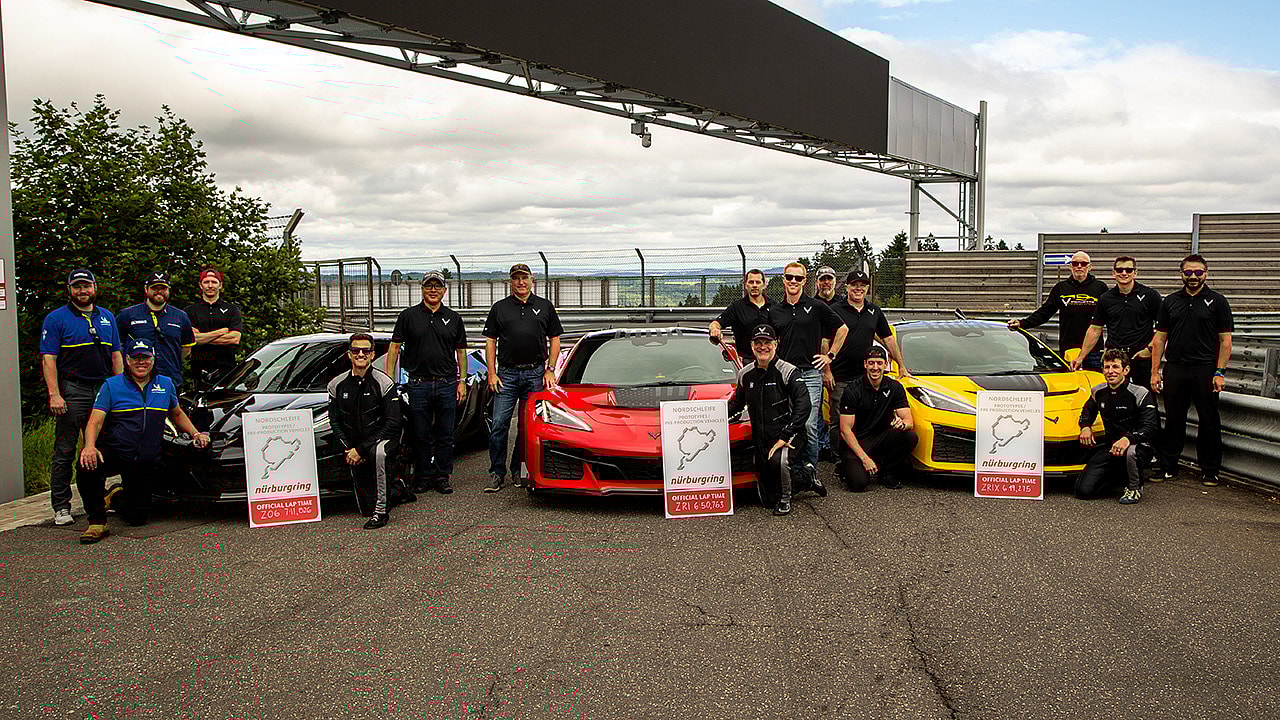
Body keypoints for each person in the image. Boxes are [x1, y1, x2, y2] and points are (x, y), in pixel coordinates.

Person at [76, 338, 209, 543]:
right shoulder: (112, 385)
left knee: (137, 519)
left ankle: (116, 495)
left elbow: (177, 414)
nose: (141, 363)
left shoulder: (165, 384)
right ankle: (97, 522)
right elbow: (95, 421)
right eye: (136, 358)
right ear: (127, 360)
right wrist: (90, 446)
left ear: (153, 359)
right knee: (87, 465)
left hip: (146, 458)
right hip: (117, 451)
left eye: (145, 358)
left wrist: (196, 434)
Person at [39, 269, 124, 526]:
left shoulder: (107, 317)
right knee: (65, 450)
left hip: (104, 388)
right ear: (69, 289)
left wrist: (120, 388)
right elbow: (48, 358)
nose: (82, 291)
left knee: (104, 447)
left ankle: (98, 499)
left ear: (95, 288)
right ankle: (62, 506)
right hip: (73, 390)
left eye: (86, 286)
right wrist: (54, 394)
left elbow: (117, 355)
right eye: (77, 287)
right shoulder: (56, 319)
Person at [1151, 254, 1233, 486]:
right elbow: (1159, 339)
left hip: (1205, 369)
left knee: (1208, 420)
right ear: (1181, 274)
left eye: (1198, 272)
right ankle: (1169, 467)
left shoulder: (1217, 301)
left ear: (1206, 274)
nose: (1193, 277)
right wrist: (1155, 372)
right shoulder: (1170, 301)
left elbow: (1225, 341)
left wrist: (1220, 372)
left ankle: (1209, 470)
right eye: (1188, 273)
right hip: (1175, 368)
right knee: (1174, 419)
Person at [726, 324, 822, 515]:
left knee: (779, 462)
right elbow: (736, 405)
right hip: (762, 439)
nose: (763, 347)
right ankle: (806, 477)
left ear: (775, 344)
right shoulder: (745, 374)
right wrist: (708, 415)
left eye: (767, 343)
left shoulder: (788, 371)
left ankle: (786, 499)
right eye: (758, 343)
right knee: (767, 500)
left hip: (790, 434)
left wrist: (786, 435)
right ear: (752, 346)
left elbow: (804, 406)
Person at [386, 270, 468, 495]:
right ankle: (422, 476)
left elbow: (461, 352)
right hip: (418, 384)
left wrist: (461, 381)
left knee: (445, 433)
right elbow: (394, 349)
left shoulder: (454, 318)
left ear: (444, 290)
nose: (433, 290)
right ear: (422, 289)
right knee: (420, 433)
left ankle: (442, 476)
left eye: (437, 286)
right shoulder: (408, 316)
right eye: (429, 286)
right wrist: (388, 380)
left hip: (446, 383)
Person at [483, 263, 563, 492]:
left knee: (526, 426)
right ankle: (496, 473)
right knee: (499, 424)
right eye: (516, 278)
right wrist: (492, 372)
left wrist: (550, 368)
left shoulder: (545, 307)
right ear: (511, 281)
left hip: (535, 374)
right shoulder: (500, 308)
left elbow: (555, 338)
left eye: (524, 278)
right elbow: (490, 340)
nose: (521, 282)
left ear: (532, 280)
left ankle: (519, 469)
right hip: (506, 375)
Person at [769, 261, 848, 468]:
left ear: (805, 281)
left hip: (810, 374)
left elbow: (842, 329)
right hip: (785, 374)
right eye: (789, 277)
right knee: (788, 423)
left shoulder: (816, 306)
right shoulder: (776, 310)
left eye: (798, 278)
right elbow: (768, 340)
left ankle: (810, 470)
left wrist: (830, 355)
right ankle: (791, 469)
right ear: (784, 280)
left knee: (810, 424)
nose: (793, 281)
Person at [826, 269, 910, 452]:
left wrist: (902, 365)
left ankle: (860, 453)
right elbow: (824, 341)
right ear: (847, 286)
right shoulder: (835, 310)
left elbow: (888, 339)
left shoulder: (874, 311)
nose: (858, 289)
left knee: (863, 418)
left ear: (867, 288)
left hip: (866, 377)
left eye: (862, 286)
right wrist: (827, 371)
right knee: (838, 418)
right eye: (854, 285)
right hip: (840, 376)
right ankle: (838, 457)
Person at [328, 333, 404, 529]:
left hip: (382, 441)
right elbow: (334, 421)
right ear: (349, 354)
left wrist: (361, 449)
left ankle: (381, 514)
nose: (360, 354)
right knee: (364, 508)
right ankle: (397, 489)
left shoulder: (384, 383)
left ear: (372, 355)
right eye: (355, 350)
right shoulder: (336, 384)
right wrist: (349, 449)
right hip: (355, 446)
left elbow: (393, 423)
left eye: (365, 351)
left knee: (378, 452)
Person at [1076, 349, 1159, 504]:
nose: (1111, 371)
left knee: (1131, 453)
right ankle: (1120, 477)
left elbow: (1150, 427)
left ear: (1125, 370)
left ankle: (1134, 487)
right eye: (1107, 367)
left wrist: (1129, 438)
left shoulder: (1140, 392)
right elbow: (1086, 411)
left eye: (1115, 367)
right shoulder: (1098, 391)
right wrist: (1086, 426)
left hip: (1138, 446)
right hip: (1111, 447)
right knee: (1083, 491)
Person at [1070, 256, 1162, 388]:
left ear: (1135, 273)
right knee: (1114, 399)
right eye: (1119, 270)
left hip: (1141, 358)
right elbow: (1095, 329)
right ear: (1113, 273)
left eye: (1128, 270)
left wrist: (1149, 350)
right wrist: (1080, 357)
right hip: (1115, 358)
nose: (1124, 273)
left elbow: (1163, 330)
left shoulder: (1150, 296)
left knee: (1144, 399)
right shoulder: (1106, 298)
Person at [837, 346, 917, 491]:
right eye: (871, 363)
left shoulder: (895, 387)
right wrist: (865, 459)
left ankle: (887, 473)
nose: (875, 367)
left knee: (910, 436)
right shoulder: (852, 390)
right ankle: (846, 466)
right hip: (857, 441)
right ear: (865, 364)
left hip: (881, 437)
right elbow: (845, 430)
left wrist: (902, 424)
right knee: (858, 484)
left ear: (886, 365)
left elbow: (909, 421)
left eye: (879, 363)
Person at [1009, 251, 1107, 368]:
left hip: (1094, 350)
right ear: (1071, 266)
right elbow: (1045, 312)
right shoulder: (1061, 288)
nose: (1079, 266)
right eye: (1075, 263)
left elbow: (1111, 316)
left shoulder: (1101, 288)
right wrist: (1022, 323)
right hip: (1068, 348)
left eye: (1083, 263)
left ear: (1089, 267)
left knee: (1096, 383)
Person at [117, 271, 196, 389]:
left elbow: (186, 349)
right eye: (155, 288)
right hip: (135, 383)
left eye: (163, 288)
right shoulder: (128, 315)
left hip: (171, 380)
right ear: (146, 289)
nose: (159, 291)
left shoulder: (181, 316)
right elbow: (116, 347)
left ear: (169, 290)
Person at [185, 266, 243, 390]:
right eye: (206, 282)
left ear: (220, 285)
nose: (210, 285)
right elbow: (190, 339)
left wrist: (202, 337)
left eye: (214, 282)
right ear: (201, 285)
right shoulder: (190, 311)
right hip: (199, 372)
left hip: (227, 372)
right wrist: (221, 332)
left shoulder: (232, 310)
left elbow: (235, 339)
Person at [708, 269, 772, 362]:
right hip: (746, 362)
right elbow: (715, 323)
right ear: (746, 285)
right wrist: (715, 329)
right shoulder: (737, 307)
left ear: (764, 284)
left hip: (770, 362)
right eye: (751, 282)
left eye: (758, 282)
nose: (754, 285)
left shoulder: (775, 307)